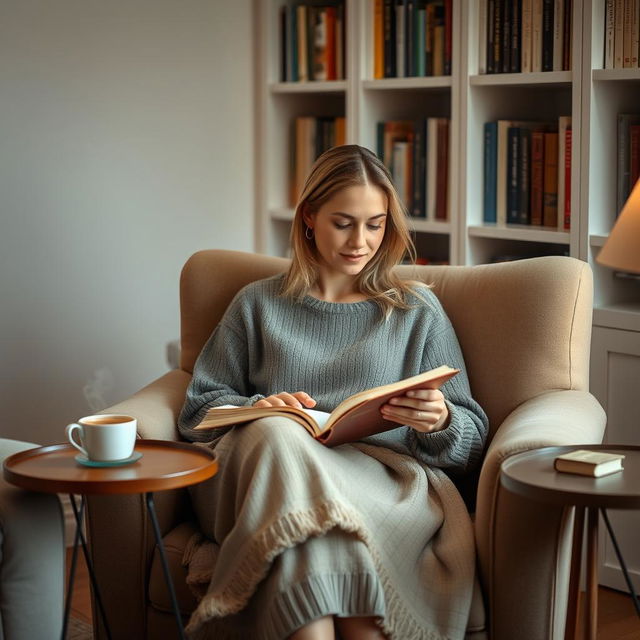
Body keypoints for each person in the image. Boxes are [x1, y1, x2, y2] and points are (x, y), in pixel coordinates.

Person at [178, 144, 489, 640]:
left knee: (320, 542)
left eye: (375, 224)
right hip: (274, 472)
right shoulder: (257, 305)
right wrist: (257, 409)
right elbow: (196, 412)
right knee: (278, 434)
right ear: (309, 218)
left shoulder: (416, 311)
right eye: (343, 222)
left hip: (377, 481)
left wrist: (441, 421)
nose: (360, 241)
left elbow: (473, 436)